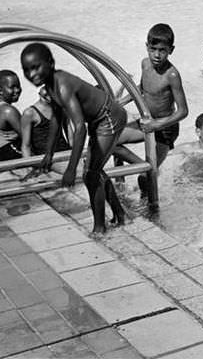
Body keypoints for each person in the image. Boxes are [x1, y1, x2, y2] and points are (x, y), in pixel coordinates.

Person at [20, 43, 126, 233]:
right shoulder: (50, 86)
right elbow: (55, 120)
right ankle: (120, 214)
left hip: (109, 118)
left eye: (36, 67)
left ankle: (99, 228)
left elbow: (79, 129)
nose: (32, 74)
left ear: (50, 63)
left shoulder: (62, 85)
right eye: (27, 70)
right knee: (94, 170)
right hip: (98, 120)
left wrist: (70, 169)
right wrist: (48, 155)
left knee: (90, 174)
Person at [115, 24, 189, 195]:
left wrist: (157, 125)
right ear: (146, 46)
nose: (156, 55)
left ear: (171, 50)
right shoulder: (145, 64)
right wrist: (123, 101)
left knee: (145, 179)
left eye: (162, 50)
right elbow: (143, 87)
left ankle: (151, 208)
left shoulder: (172, 75)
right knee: (111, 141)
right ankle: (131, 175)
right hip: (147, 120)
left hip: (165, 128)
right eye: (153, 49)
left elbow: (183, 111)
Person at [20, 86, 71, 158]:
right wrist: (28, 166)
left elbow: (71, 138)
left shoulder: (61, 109)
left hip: (65, 152)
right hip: (46, 156)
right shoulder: (30, 113)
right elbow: (25, 145)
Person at [0, 70, 23, 162]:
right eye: (12, 87)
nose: (17, 90)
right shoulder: (8, 111)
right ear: (0, 90)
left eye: (18, 86)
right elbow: (28, 137)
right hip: (9, 154)